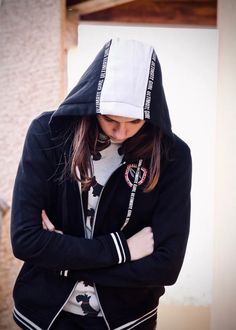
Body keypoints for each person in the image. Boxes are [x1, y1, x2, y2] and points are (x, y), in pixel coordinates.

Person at [11, 38, 192, 330]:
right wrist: (122, 251)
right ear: (93, 102)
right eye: (110, 119)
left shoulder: (174, 157)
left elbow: (166, 266)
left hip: (128, 321)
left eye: (135, 121)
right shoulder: (48, 135)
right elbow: (25, 240)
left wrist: (63, 261)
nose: (122, 132)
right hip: (42, 318)